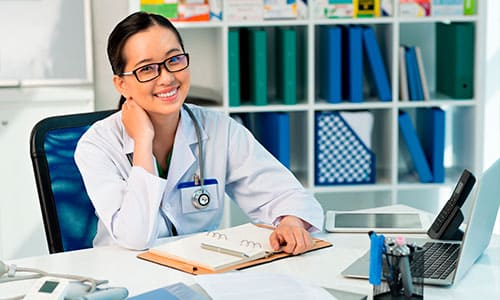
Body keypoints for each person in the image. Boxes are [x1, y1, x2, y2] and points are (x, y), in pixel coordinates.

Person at [74, 11, 324, 255]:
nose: (167, 77)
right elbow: (135, 238)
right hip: (125, 272)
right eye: (147, 69)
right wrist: (142, 141)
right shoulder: (97, 145)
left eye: (174, 60)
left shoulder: (218, 129)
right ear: (122, 84)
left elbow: (288, 194)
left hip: (198, 269)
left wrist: (291, 221)